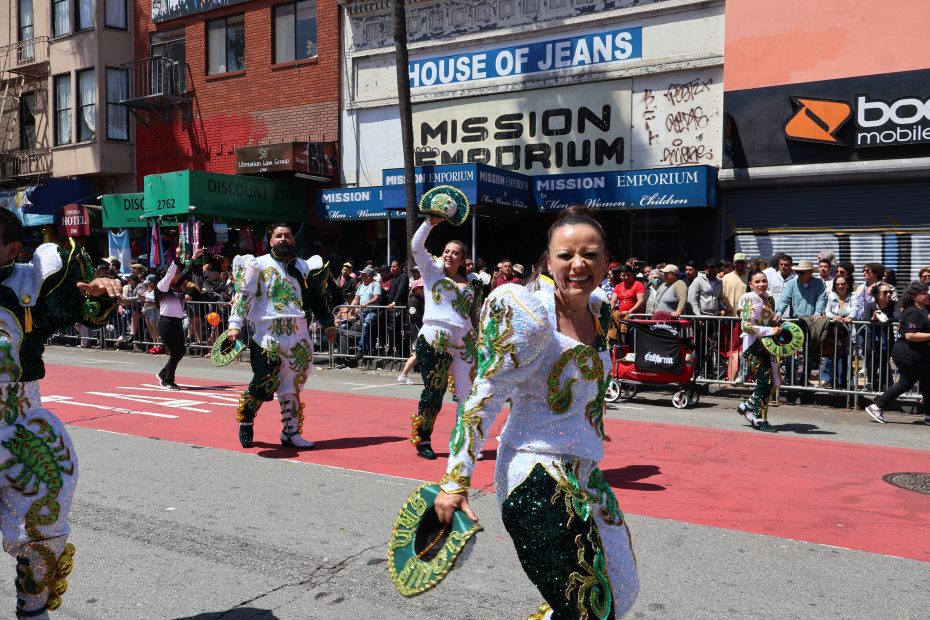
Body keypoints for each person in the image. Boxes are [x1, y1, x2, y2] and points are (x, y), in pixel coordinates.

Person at [434, 205, 638, 618]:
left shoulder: (599, 308)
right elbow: (483, 396)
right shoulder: (528, 314)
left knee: (622, 589)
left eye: (590, 254)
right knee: (588, 610)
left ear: (606, 261)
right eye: (566, 255)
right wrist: (455, 479)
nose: (578, 265)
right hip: (535, 474)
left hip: (584, 469)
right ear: (548, 260)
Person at [0, 209, 120, 617]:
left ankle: (33, 610)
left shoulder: (29, 286)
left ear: (12, 249)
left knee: (44, 529)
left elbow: (85, 309)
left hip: (19, 424)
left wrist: (98, 293)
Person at [227, 222, 335, 449]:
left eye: (287, 235)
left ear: (293, 240)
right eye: (279, 236)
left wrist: (328, 323)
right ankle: (246, 420)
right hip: (268, 335)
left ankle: (291, 432)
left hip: (299, 335)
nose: (284, 239)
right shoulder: (257, 264)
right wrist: (235, 324)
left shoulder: (305, 267)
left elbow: (317, 297)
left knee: (292, 387)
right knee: (263, 384)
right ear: (271, 240)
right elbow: (243, 295)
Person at [409, 216, 481, 460]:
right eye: (447, 251)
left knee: (468, 394)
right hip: (434, 339)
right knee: (434, 391)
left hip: (466, 343)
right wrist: (429, 222)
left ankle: (463, 442)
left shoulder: (471, 282)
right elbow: (416, 246)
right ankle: (423, 440)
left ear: (463, 259)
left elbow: (472, 314)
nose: (450, 255)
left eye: (455, 253)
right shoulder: (431, 273)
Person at [866, 281, 930, 425]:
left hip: (921, 354)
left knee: (927, 383)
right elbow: (910, 335)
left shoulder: (921, 310)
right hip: (908, 353)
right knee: (906, 382)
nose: (927, 295)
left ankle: (929, 415)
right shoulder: (913, 311)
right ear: (914, 296)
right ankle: (877, 406)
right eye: (924, 292)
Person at [736, 271, 782, 432]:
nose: (762, 284)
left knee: (770, 383)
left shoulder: (769, 298)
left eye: (764, 281)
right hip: (753, 346)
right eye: (757, 282)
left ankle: (747, 406)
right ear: (750, 284)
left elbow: (769, 321)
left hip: (768, 345)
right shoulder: (748, 298)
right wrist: (770, 330)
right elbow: (746, 326)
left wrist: (775, 323)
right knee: (765, 381)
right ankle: (759, 418)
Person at [154, 247, 201, 390]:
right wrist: (177, 257)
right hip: (166, 323)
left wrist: (193, 257)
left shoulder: (177, 286)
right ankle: (168, 380)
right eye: (176, 273)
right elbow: (169, 274)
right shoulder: (162, 286)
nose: (178, 275)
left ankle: (163, 373)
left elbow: (186, 271)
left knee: (180, 351)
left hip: (177, 322)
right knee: (176, 352)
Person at [821, 274, 859, 389]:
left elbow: (855, 311)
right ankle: (833, 385)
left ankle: (844, 385)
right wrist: (834, 317)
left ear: (848, 285)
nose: (840, 286)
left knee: (845, 360)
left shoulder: (854, 297)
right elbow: (827, 311)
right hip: (834, 334)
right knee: (832, 359)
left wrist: (850, 318)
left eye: (843, 283)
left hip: (848, 334)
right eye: (837, 284)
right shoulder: (832, 296)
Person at [861, 282, 899, 391]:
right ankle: (872, 383)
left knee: (884, 361)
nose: (888, 294)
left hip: (887, 338)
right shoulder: (870, 305)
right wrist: (873, 319)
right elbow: (865, 319)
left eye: (890, 292)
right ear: (877, 295)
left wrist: (886, 320)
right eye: (885, 292)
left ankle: (886, 385)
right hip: (872, 338)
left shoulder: (894, 304)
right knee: (871, 361)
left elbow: (898, 317)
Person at [610, 265, 645, 347]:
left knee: (632, 341)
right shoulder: (618, 286)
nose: (625, 277)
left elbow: (641, 301)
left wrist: (630, 312)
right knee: (620, 340)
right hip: (621, 317)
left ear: (632, 275)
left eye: (628, 275)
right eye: (623, 275)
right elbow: (613, 300)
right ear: (620, 276)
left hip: (634, 318)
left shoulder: (638, 285)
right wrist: (610, 309)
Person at [351, 266, 381, 359]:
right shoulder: (360, 285)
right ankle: (369, 351)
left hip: (372, 312)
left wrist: (367, 303)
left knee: (365, 326)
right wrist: (351, 308)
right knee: (366, 331)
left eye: (362, 274)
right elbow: (356, 298)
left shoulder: (375, 284)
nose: (360, 275)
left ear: (368, 276)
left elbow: (376, 297)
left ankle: (360, 350)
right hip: (362, 312)